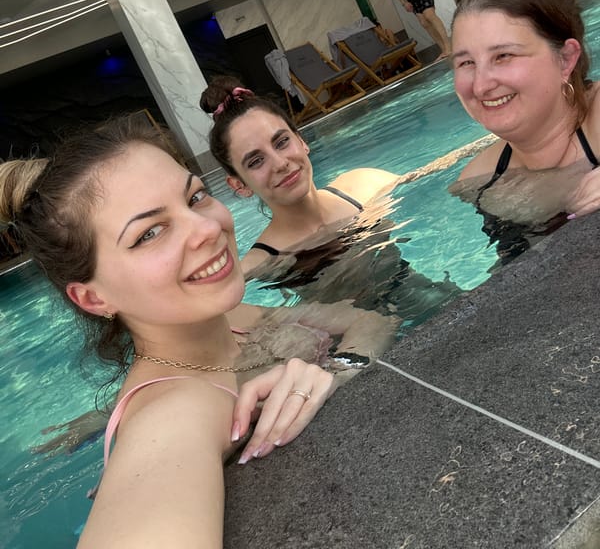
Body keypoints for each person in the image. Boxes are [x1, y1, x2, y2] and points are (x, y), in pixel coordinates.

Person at [0, 115, 398, 547]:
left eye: (195, 197)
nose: (208, 228)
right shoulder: (173, 418)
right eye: (149, 233)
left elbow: (370, 321)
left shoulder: (228, 318)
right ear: (94, 299)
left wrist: (337, 370)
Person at [450, 0, 600, 260]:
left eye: (503, 56)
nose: (481, 85)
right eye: (466, 62)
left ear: (566, 58)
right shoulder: (480, 182)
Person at [200, 77, 401, 277]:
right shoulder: (260, 266)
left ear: (301, 140)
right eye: (256, 161)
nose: (280, 164)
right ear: (239, 185)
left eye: (281, 142)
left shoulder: (366, 185)